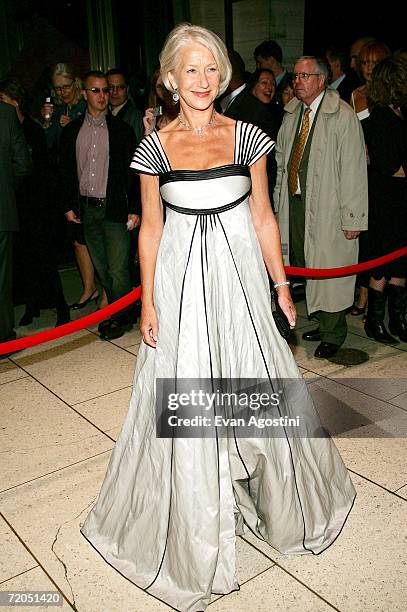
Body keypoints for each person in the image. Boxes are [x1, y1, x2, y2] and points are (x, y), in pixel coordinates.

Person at [81, 25, 356, 612]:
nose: (202, 80)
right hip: (181, 292)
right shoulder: (151, 147)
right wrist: (149, 300)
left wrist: (282, 287)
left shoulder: (250, 136)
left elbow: (263, 218)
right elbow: (151, 229)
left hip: (241, 289)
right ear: (170, 78)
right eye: (191, 70)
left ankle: (283, 510)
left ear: (221, 76)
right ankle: (195, 539)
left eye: (212, 69)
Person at [274, 56, 368, 359]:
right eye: (296, 76)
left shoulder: (341, 115)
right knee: (308, 265)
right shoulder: (292, 115)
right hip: (296, 205)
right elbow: (281, 166)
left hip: (329, 207)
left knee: (330, 268)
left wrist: (352, 217)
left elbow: (354, 169)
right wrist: (277, 206)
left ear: (321, 80)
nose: (297, 81)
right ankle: (320, 319)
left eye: (305, 76)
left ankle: (334, 331)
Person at [58, 71, 139, 341]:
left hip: (113, 208)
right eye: (96, 91)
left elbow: (134, 171)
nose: (103, 96)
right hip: (86, 209)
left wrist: (135, 208)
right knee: (102, 267)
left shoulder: (122, 130)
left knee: (118, 268)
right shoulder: (71, 131)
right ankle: (122, 310)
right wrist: (69, 205)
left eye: (105, 91)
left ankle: (121, 317)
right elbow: (67, 172)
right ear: (85, 93)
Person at [0, 78, 70, 328]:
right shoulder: (12, 128)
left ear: (15, 101)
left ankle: (61, 309)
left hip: (37, 206)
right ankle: (32, 307)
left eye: (4, 100)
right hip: (16, 205)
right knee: (25, 261)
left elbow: (39, 170)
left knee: (44, 259)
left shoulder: (32, 130)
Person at [41, 62, 101, 311]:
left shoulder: (84, 105)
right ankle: (89, 288)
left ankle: (103, 290)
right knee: (77, 239)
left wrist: (72, 124)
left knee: (95, 238)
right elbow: (48, 145)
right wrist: (47, 122)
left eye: (66, 86)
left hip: (89, 179)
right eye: (57, 88)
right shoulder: (56, 109)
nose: (62, 92)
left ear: (76, 83)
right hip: (67, 180)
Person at [362, 56, 407, 343]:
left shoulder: (401, 113)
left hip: (402, 199)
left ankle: (397, 319)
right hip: (385, 199)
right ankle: (374, 321)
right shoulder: (377, 118)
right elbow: (390, 166)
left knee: (401, 261)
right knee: (382, 260)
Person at [0, 101, 31, 348]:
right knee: (1, 278)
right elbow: (22, 164)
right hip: (1, 210)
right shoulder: (6, 112)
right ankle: (3, 336)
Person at [106, 68, 144, 142]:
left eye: (120, 87)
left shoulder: (135, 116)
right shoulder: (102, 113)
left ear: (127, 90)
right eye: (110, 87)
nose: (114, 92)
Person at [253, 39, 292, 105]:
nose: (258, 67)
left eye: (260, 63)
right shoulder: (256, 81)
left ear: (271, 60)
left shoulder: (291, 84)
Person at [143, 66, 179, 135]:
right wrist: (149, 131)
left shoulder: (188, 114)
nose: (165, 91)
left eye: (167, 85)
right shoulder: (155, 116)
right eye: (159, 87)